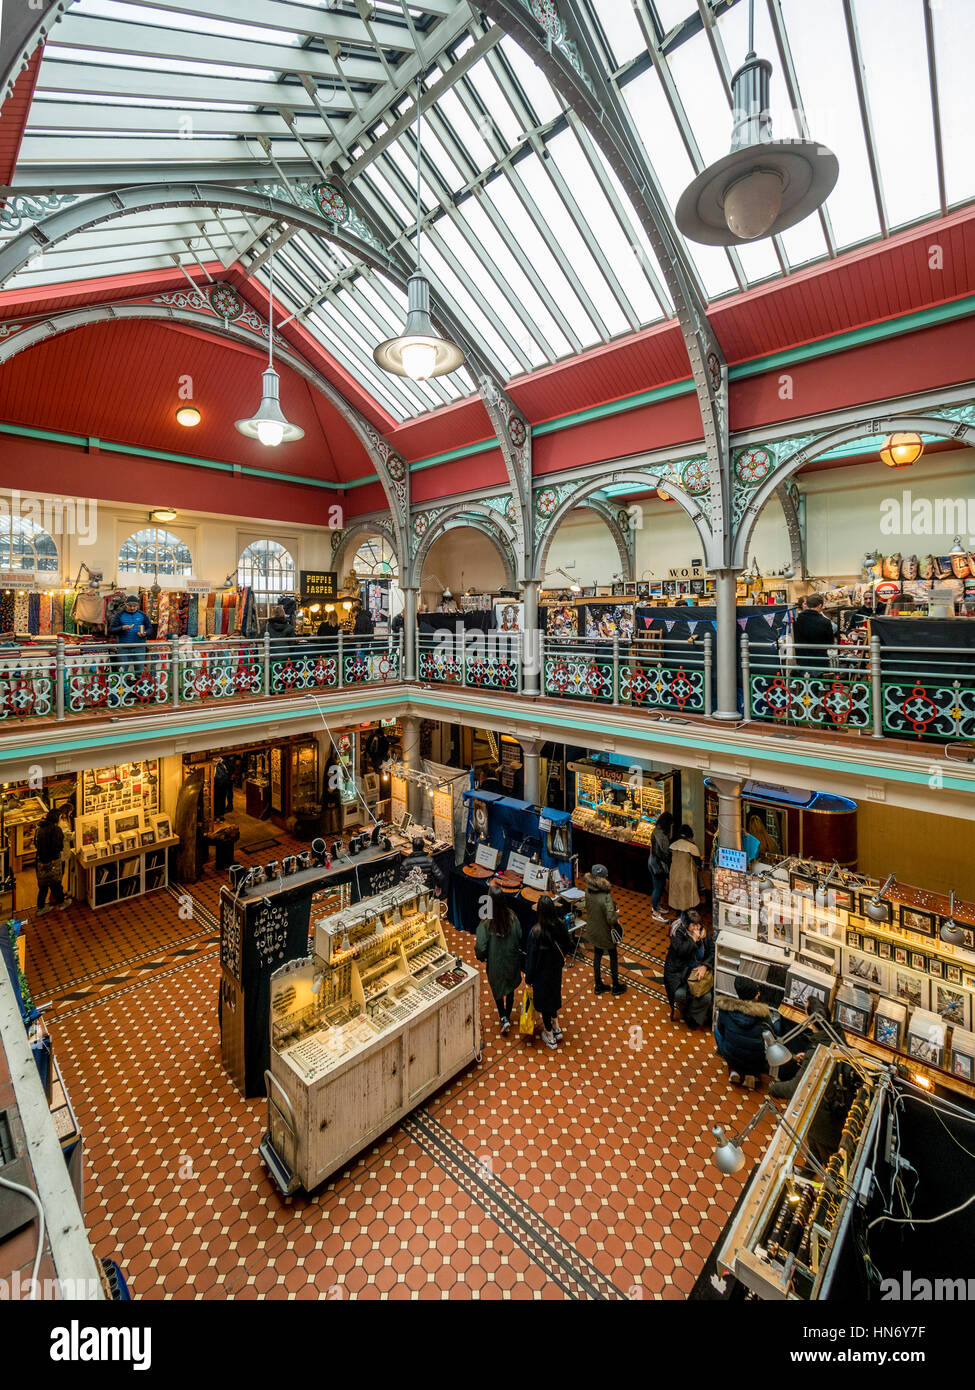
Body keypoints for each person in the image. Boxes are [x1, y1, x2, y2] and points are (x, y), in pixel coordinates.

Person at [769, 998, 844, 1099]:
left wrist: (773, 1088)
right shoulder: (837, 1034)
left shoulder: (815, 1051)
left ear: (811, 1019)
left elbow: (794, 1088)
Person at [714, 974, 781, 1087]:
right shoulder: (763, 1014)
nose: (759, 993)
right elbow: (772, 1033)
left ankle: (733, 1070)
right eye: (757, 992)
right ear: (754, 996)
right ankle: (752, 1074)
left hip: (732, 1054)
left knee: (716, 1031)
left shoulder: (726, 1008)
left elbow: (721, 1029)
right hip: (755, 1058)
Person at [524, 895, 572, 1048]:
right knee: (554, 996)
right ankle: (556, 1026)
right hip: (556, 970)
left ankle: (549, 1035)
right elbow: (568, 945)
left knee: (544, 1003)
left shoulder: (536, 932)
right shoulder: (561, 925)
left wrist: (528, 979)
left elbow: (531, 959)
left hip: (541, 974)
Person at [475, 883, 523, 1035]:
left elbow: (481, 947)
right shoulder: (513, 917)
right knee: (509, 989)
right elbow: (519, 936)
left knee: (497, 990)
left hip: (495, 964)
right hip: (511, 961)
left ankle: (503, 1017)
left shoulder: (486, 923)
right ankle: (507, 1015)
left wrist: (482, 957)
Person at [584, 863, 627, 996]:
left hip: (593, 928)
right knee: (613, 956)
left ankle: (598, 985)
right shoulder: (606, 897)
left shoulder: (588, 889)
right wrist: (616, 912)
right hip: (605, 932)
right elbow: (611, 919)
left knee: (597, 955)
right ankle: (616, 986)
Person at [664, 913, 713, 1028]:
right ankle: (687, 1015)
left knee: (706, 997)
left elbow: (712, 951)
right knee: (680, 994)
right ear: (687, 925)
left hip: (699, 972)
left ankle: (693, 1018)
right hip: (681, 974)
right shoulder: (678, 934)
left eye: (698, 925)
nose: (696, 928)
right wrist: (694, 940)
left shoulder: (704, 933)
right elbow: (681, 952)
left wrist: (705, 966)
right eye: (693, 926)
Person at [35, 806, 69, 915]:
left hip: (40, 861)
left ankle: (40, 908)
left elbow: (36, 844)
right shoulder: (56, 830)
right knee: (56, 883)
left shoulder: (40, 829)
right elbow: (58, 846)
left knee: (43, 885)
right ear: (57, 818)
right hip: (53, 860)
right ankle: (62, 903)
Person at [668, 823, 702, 929]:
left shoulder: (673, 845)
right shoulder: (692, 847)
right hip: (687, 877)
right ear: (690, 835)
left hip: (674, 875)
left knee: (678, 898)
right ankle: (684, 923)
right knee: (687, 901)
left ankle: (680, 918)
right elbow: (698, 863)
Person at [108, 594, 150, 675]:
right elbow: (111, 630)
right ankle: (122, 687)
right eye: (130, 606)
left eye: (134, 606)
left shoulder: (143, 615)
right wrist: (122, 628)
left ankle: (140, 687)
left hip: (139, 647)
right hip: (123, 647)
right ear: (126, 604)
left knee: (140, 672)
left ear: (137, 605)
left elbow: (149, 628)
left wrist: (145, 633)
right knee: (122, 672)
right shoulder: (119, 615)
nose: (132, 608)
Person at [792, 593, 834, 670]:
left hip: (802, 661)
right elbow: (830, 643)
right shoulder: (825, 622)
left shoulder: (797, 620)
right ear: (820, 605)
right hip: (819, 661)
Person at [648, 811, 674, 923]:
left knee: (659, 885)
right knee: (658, 887)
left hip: (653, 862)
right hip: (657, 865)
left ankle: (656, 906)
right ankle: (655, 911)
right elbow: (662, 853)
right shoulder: (662, 836)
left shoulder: (656, 831)